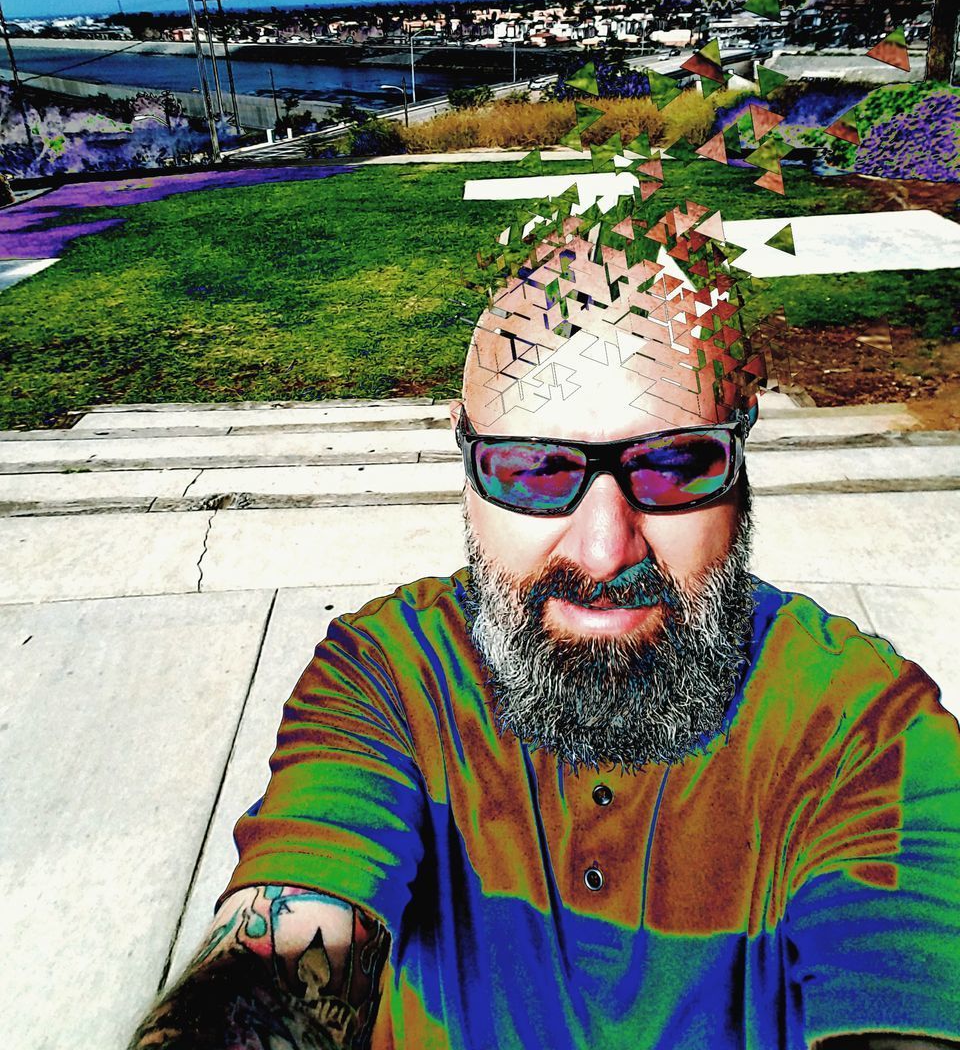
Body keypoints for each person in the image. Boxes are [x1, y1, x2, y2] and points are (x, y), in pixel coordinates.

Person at [129, 201, 960, 1050]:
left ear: (741, 463)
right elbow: (285, 945)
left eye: (675, 463)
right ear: (465, 469)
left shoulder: (865, 728)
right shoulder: (386, 678)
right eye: (533, 468)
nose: (604, 548)